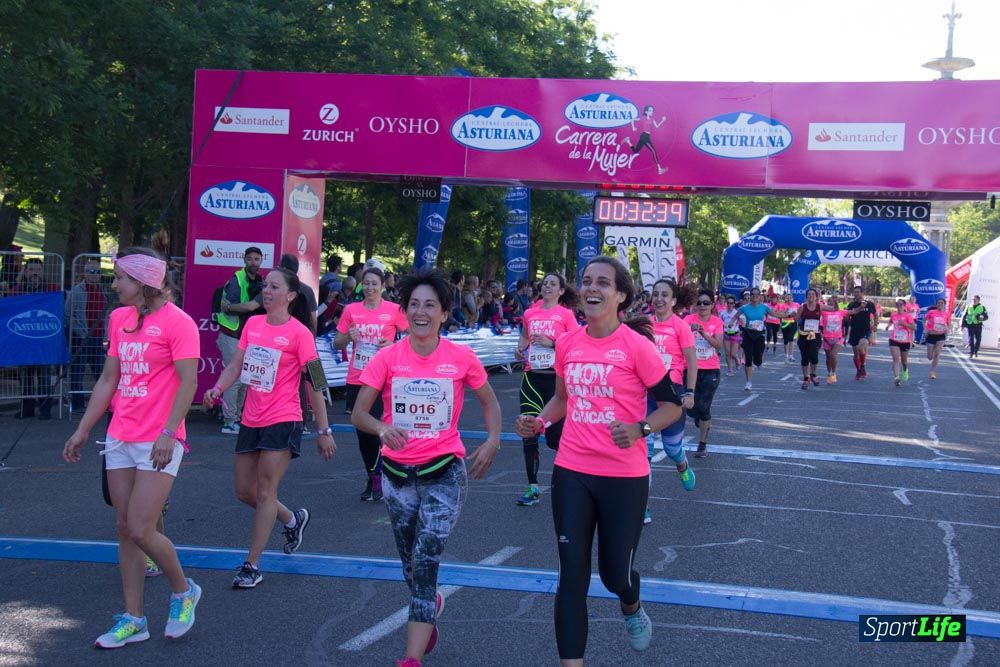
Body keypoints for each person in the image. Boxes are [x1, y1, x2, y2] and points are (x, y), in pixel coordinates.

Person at [514, 256, 683, 665]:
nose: (592, 288)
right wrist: (540, 420)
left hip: (624, 476)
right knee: (571, 576)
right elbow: (561, 399)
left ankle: (630, 602)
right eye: (587, 281)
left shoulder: (637, 347)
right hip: (573, 470)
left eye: (603, 282)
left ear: (620, 295)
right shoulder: (569, 343)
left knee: (613, 576)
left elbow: (672, 407)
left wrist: (641, 429)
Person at [351, 269, 501, 667]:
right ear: (404, 312)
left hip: (445, 472)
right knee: (410, 565)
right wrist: (382, 427)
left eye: (429, 305)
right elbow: (358, 414)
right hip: (398, 476)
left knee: (427, 557)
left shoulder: (460, 357)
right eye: (414, 305)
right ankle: (428, 601)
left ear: (444, 313)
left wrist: (492, 439)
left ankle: (411, 659)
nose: (421, 312)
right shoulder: (387, 358)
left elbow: (489, 400)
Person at [63, 247, 202, 648]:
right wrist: (83, 430)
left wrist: (168, 432)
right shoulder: (119, 318)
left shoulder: (180, 323)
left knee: (143, 527)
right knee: (125, 529)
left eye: (121, 277)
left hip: (158, 439)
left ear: (143, 283)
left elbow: (188, 383)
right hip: (120, 436)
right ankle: (134, 618)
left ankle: (183, 592)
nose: (115, 284)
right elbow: (109, 379)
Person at [203, 267, 337, 589]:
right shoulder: (252, 324)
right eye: (265, 285)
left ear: (290, 295)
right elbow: (236, 365)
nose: (266, 291)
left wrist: (324, 430)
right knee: (244, 491)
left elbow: (315, 382)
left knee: (265, 492)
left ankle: (252, 565)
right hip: (252, 417)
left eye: (274, 286)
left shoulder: (300, 333)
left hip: (284, 417)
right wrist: (218, 389)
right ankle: (292, 519)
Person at [334, 266, 408, 502]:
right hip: (357, 376)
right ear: (361, 285)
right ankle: (372, 474)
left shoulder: (394, 310)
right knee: (362, 431)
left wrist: (392, 345)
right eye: (366, 283)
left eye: (375, 283)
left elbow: (411, 336)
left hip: (383, 377)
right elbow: (337, 343)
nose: (370, 287)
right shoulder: (351, 310)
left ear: (383, 286)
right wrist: (348, 337)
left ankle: (381, 475)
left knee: (378, 428)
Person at [513, 272, 580, 507]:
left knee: (556, 439)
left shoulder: (566, 315)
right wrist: (519, 349)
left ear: (561, 291)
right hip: (532, 378)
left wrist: (552, 343)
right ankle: (532, 488)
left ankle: (572, 481)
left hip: (556, 382)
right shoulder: (530, 313)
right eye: (545, 283)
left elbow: (575, 343)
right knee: (528, 430)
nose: (547, 286)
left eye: (553, 284)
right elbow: (524, 338)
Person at [646, 278, 697, 523]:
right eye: (655, 294)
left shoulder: (681, 326)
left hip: (672, 393)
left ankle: (682, 464)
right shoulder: (644, 324)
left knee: (671, 448)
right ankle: (642, 505)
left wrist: (690, 392)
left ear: (674, 300)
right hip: (645, 393)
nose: (659, 299)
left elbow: (692, 361)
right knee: (642, 450)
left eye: (664, 295)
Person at [215, 246, 265, 434]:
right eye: (250, 259)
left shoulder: (261, 281)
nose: (253, 262)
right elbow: (233, 307)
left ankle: (238, 418)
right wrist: (247, 307)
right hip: (231, 334)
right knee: (234, 378)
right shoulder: (237, 280)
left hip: (246, 336)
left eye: (256, 259)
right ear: (244, 260)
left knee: (245, 379)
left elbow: (245, 307)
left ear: (261, 261)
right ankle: (229, 421)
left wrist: (246, 307)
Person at [12, 258, 60, 419]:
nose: (35, 273)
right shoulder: (18, 291)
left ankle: (45, 410)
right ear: (25, 272)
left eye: (38, 270)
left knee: (44, 377)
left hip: (43, 343)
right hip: (23, 343)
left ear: (42, 272)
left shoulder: (51, 290)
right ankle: (27, 409)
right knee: (25, 378)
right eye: (31, 269)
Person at [66, 258, 110, 412]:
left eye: (97, 272)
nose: (94, 275)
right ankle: (77, 404)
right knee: (78, 370)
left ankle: (102, 404)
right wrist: (80, 332)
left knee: (100, 371)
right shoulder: (77, 291)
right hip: (81, 337)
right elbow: (68, 315)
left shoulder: (103, 291)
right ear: (84, 273)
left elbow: (106, 315)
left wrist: (106, 334)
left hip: (98, 338)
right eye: (91, 271)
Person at [684, 289, 724, 457]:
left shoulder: (717, 322)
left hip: (711, 370)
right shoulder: (688, 319)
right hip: (690, 368)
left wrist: (703, 333)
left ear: (712, 305)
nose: (702, 306)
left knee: (704, 406)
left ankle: (702, 444)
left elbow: (718, 345)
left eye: (706, 303)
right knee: (691, 408)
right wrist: (688, 330)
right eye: (699, 303)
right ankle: (699, 418)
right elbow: (678, 337)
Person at [736, 288, 781, 391]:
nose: (755, 296)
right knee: (748, 358)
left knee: (758, 357)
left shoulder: (764, 307)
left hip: (759, 334)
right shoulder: (744, 307)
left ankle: (759, 362)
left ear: (760, 296)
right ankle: (748, 382)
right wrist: (731, 323)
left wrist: (787, 315)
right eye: (753, 294)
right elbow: (735, 316)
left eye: (757, 294)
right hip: (748, 334)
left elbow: (775, 314)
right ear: (750, 296)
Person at [795, 289, 830, 390]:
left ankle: (813, 374)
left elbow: (833, 309)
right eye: (809, 294)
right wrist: (793, 315)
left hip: (815, 334)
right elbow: (797, 318)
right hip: (803, 334)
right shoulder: (802, 307)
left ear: (816, 296)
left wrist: (835, 302)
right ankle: (806, 378)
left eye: (813, 294)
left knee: (814, 356)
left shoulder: (820, 306)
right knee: (805, 357)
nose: (811, 296)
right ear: (806, 296)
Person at [622, 104, 669, 174]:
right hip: (644, 136)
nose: (651, 112)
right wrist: (633, 127)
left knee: (635, 151)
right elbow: (633, 119)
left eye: (652, 111)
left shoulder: (652, 119)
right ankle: (659, 169)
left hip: (646, 136)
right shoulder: (643, 118)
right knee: (654, 152)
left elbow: (657, 126)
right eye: (650, 111)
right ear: (646, 112)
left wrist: (662, 121)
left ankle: (628, 141)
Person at [845, 286, 878, 381]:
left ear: (862, 293)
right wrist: (846, 315)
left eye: (858, 292)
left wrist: (875, 324)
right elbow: (847, 318)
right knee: (856, 353)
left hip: (865, 330)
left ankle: (862, 365)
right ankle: (859, 370)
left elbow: (875, 314)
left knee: (860, 348)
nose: (856, 294)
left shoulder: (869, 304)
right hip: (854, 330)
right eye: (855, 292)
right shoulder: (852, 304)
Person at [820, 295, 848, 384]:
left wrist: (861, 307)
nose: (830, 304)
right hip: (826, 338)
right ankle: (829, 373)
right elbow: (816, 308)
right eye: (829, 302)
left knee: (833, 355)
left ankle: (834, 373)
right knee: (828, 358)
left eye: (832, 302)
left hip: (838, 338)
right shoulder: (824, 312)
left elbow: (853, 311)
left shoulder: (841, 312)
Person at [888, 299, 916, 387]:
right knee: (896, 359)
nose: (899, 306)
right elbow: (891, 321)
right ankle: (897, 378)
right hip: (894, 339)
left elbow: (914, 328)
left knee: (904, 361)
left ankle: (905, 370)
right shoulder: (893, 315)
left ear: (904, 306)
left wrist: (904, 324)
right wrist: (887, 326)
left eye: (901, 304)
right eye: (897, 304)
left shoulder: (908, 316)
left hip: (905, 341)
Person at [921, 298, 950, 380]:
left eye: (942, 303)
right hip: (931, 335)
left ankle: (933, 372)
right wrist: (925, 329)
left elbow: (949, 324)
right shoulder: (931, 312)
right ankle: (932, 353)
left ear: (944, 304)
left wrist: (947, 329)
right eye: (938, 303)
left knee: (937, 353)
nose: (940, 304)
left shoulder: (946, 314)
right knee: (930, 357)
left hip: (940, 336)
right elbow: (924, 320)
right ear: (936, 304)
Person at [719, 295, 743, 376]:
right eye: (728, 303)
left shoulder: (736, 313)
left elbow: (743, 322)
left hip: (735, 334)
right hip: (726, 335)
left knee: (733, 354)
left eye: (731, 303)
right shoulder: (722, 313)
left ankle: (736, 359)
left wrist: (741, 331)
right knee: (727, 353)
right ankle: (730, 370)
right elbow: (719, 323)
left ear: (734, 304)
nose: (729, 304)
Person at [779, 292, 799, 363]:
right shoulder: (783, 305)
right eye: (788, 298)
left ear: (793, 298)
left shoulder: (796, 305)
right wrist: (785, 312)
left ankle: (791, 355)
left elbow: (799, 313)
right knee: (786, 340)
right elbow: (780, 314)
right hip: (785, 323)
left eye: (790, 297)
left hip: (793, 322)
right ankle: (786, 355)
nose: (789, 299)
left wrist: (796, 315)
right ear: (786, 299)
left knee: (791, 338)